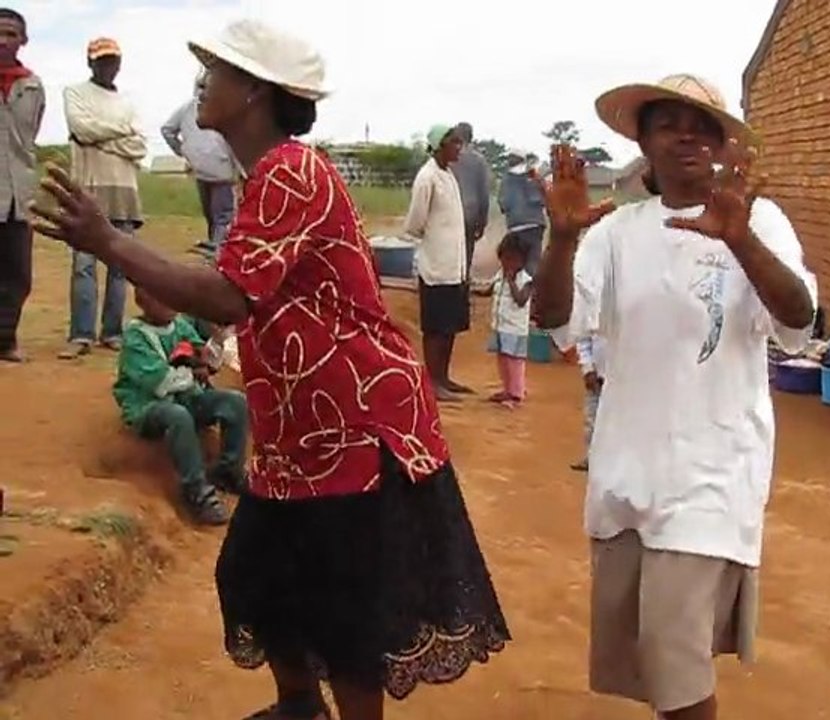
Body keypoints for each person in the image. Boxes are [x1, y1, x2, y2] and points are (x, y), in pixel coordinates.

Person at [32, 19, 508, 720]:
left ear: (255, 91)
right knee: (256, 574)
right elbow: (237, 292)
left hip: (349, 428)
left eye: (215, 72)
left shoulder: (290, 170)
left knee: (344, 614)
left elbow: (228, 293)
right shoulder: (267, 178)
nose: (201, 83)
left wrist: (106, 241)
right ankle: (298, 707)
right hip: (300, 432)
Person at [533, 74, 815, 720]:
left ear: (719, 143)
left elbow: (800, 323)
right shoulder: (615, 232)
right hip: (626, 478)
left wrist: (740, 241)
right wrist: (564, 237)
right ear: (644, 140)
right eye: (668, 122)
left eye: (701, 124)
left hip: (714, 479)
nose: (686, 134)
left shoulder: (758, 219)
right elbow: (558, 321)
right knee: (655, 669)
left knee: (676, 669)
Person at [113, 286, 246, 525]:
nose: (170, 303)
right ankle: (196, 490)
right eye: (161, 297)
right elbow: (161, 383)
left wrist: (216, 343)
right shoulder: (136, 336)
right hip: (148, 406)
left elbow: (206, 362)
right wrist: (195, 370)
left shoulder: (181, 325)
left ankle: (229, 470)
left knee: (235, 402)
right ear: (142, 301)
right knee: (177, 415)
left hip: (186, 396)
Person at [60, 37, 146, 360]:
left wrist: (101, 138)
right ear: (90, 62)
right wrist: (119, 133)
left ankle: (112, 332)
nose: (107, 65)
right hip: (88, 187)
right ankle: (81, 334)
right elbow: (81, 128)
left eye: (112, 60)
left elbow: (139, 146)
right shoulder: (75, 93)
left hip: (124, 190)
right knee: (83, 265)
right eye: (101, 60)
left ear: (119, 63)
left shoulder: (129, 102)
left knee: (120, 265)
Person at [404, 124, 472, 402]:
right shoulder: (427, 177)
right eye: (454, 142)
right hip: (436, 265)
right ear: (439, 145)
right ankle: (432, 382)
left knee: (450, 327)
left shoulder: (448, 175)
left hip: (454, 265)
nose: (459, 147)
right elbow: (416, 222)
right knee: (435, 328)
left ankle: (444, 378)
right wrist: (436, 241)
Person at [0, 7, 43, 363]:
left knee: (17, 273)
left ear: (23, 40)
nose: (4, 40)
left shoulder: (33, 86)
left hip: (18, 193)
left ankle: (5, 339)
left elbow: (30, 136)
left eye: (11, 33)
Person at [161, 73, 238, 260]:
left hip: (201, 168)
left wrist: (183, 151)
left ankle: (215, 251)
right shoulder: (224, 108)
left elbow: (167, 130)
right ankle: (217, 255)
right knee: (222, 217)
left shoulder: (188, 108)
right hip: (221, 170)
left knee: (214, 216)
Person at [487, 232, 532, 407]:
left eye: (512, 260)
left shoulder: (526, 280)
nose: (507, 264)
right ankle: (508, 389)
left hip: (515, 329)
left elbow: (521, 300)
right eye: (505, 260)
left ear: (522, 261)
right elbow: (490, 289)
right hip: (500, 326)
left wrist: (512, 282)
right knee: (503, 360)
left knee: (515, 362)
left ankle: (516, 394)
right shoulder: (500, 275)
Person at [498, 148, 546, 276]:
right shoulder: (534, 177)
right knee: (533, 263)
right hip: (536, 225)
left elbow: (503, 205)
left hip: (516, 227)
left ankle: (519, 293)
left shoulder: (506, 179)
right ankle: (534, 292)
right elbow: (543, 199)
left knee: (517, 266)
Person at [450, 121, 490, 272]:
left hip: (450, 213)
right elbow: (484, 194)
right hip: (470, 215)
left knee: (450, 255)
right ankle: (463, 287)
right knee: (466, 256)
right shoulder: (479, 160)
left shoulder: (449, 158)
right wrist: (482, 223)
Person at [570, 331, 604, 473]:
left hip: (623, 377)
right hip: (596, 375)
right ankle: (592, 458)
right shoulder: (591, 310)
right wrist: (587, 369)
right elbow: (582, 339)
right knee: (592, 420)